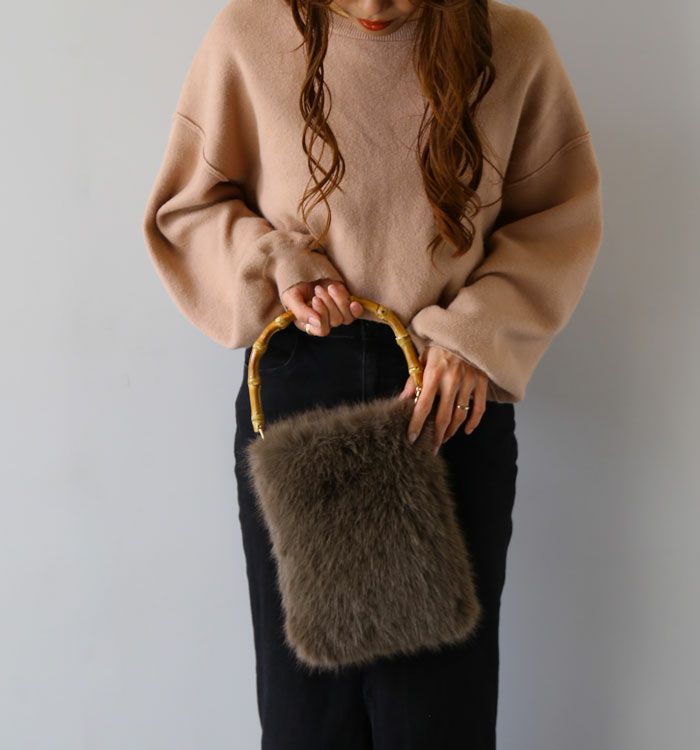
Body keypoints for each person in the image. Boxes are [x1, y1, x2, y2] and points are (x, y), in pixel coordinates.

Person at [142, 1, 603, 747]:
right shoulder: (247, 34)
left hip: (448, 402)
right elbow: (187, 207)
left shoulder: (513, 45)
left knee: (439, 718)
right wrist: (280, 262)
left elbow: (558, 217)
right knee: (306, 719)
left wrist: (475, 334)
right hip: (300, 392)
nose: (374, 8)